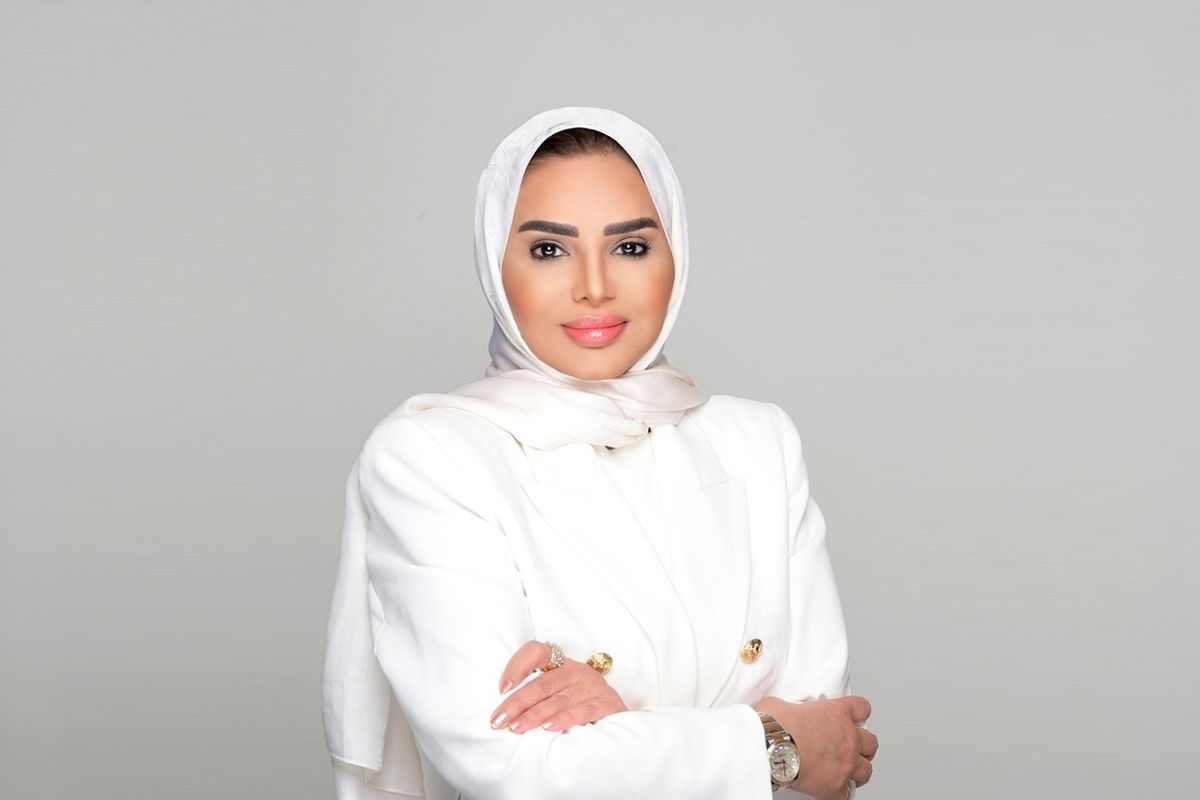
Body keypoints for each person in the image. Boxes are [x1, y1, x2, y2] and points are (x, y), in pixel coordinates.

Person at [322, 106, 878, 800]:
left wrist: (620, 716)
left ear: (675, 255)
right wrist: (771, 743)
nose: (593, 285)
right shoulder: (431, 458)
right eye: (549, 250)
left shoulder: (758, 442)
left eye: (631, 247)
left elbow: (828, 735)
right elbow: (517, 770)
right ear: (495, 265)